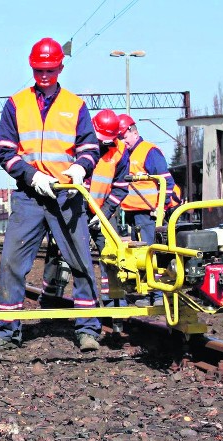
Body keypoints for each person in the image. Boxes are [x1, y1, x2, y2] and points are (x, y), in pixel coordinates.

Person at [0, 37, 101, 353]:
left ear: (60, 67)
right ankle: (8, 332)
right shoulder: (16, 104)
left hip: (67, 196)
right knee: (11, 263)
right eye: (38, 69)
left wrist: (80, 168)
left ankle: (88, 329)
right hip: (30, 197)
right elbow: (5, 152)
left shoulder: (75, 106)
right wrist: (32, 176)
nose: (44, 75)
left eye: (49, 69)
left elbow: (90, 147)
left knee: (81, 262)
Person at [117, 114, 178, 306]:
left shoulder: (149, 151)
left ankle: (157, 296)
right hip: (133, 214)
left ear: (133, 132)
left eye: (124, 137)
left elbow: (166, 181)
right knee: (140, 257)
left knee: (152, 255)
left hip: (149, 213)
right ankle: (146, 293)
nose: (123, 141)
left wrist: (161, 207)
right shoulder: (127, 154)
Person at [88, 109, 130, 303]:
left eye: (107, 140)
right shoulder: (78, 144)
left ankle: (113, 302)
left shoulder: (120, 152)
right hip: (76, 211)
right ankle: (53, 298)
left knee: (113, 254)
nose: (104, 143)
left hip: (103, 211)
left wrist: (104, 213)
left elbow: (121, 187)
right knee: (65, 254)